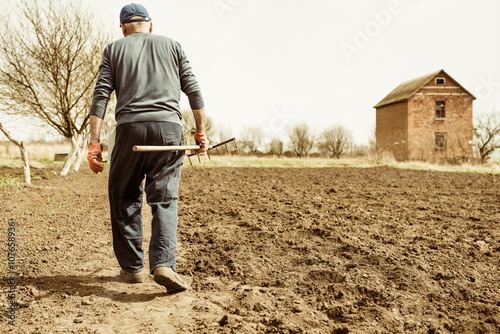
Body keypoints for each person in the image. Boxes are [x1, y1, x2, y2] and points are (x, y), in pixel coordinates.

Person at [87, 3, 208, 294]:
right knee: (165, 199)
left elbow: (101, 95)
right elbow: (193, 90)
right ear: (150, 25)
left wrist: (94, 142)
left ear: (123, 28)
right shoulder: (173, 46)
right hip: (169, 130)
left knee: (124, 195)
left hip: (129, 130)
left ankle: (132, 269)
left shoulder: (113, 50)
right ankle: (164, 264)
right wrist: (201, 131)